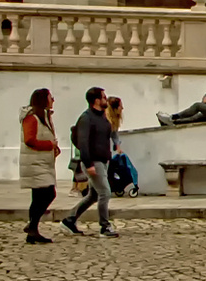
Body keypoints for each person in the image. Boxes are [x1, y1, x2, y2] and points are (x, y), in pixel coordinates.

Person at [63, 86, 118, 237]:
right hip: (94, 162)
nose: (106, 99)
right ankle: (104, 227)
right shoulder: (86, 118)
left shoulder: (102, 117)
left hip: (103, 160)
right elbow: (83, 142)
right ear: (96, 100)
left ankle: (69, 219)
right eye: (103, 97)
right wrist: (88, 164)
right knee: (105, 193)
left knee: (93, 195)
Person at [19, 88, 59, 244]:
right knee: (48, 193)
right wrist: (50, 144)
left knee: (38, 197)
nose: (53, 100)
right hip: (35, 163)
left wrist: (54, 147)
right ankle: (33, 226)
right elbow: (30, 140)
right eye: (51, 97)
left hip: (42, 162)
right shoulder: (32, 118)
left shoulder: (44, 117)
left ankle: (33, 230)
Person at [105, 96, 138, 197]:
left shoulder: (114, 120)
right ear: (115, 108)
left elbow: (114, 134)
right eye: (120, 106)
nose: (122, 108)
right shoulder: (105, 120)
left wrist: (118, 146)